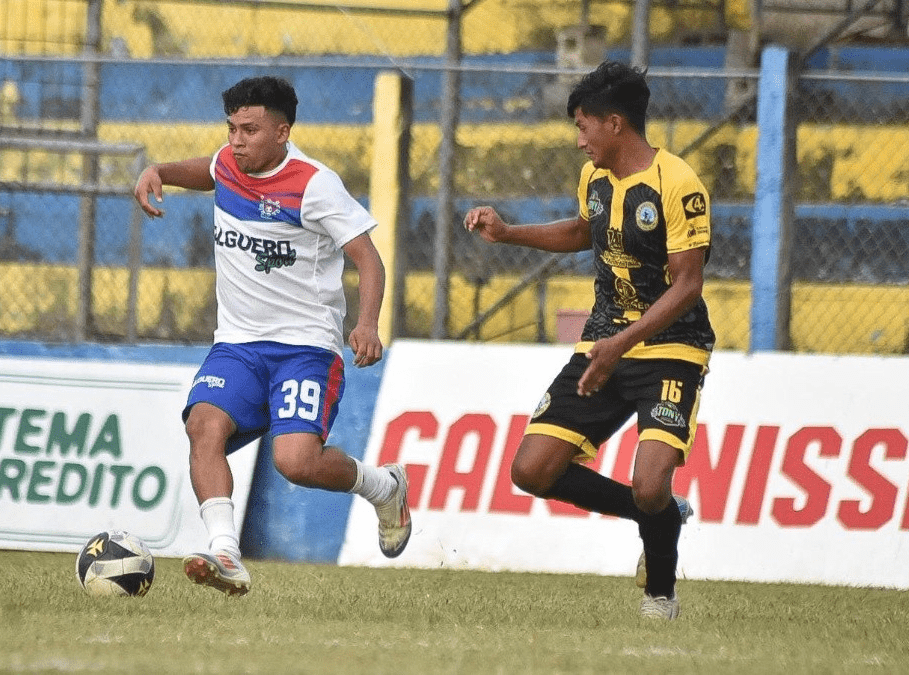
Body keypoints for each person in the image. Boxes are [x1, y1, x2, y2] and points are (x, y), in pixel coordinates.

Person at [133, 75, 411, 596]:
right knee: (203, 425)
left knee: (296, 462)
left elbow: (368, 259)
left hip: (305, 348)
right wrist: (160, 171)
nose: (237, 140)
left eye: (251, 130)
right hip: (238, 344)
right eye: (232, 128)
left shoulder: (314, 184)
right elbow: (210, 170)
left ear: (282, 131)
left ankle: (384, 486)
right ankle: (225, 551)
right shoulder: (228, 163)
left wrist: (368, 322)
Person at [463, 60, 714, 620]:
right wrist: (508, 233)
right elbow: (583, 230)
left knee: (648, 484)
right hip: (605, 339)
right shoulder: (596, 179)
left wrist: (621, 344)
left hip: (671, 346)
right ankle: (662, 514)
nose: (579, 140)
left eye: (583, 127)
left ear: (616, 123)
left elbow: (689, 285)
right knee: (531, 471)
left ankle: (659, 598)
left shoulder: (678, 183)